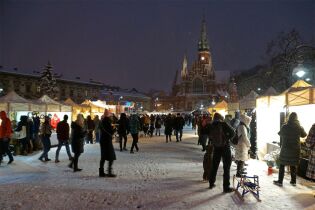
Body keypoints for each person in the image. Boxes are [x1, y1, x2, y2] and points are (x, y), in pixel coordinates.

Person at [274, 112, 307, 187]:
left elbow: (280, 134)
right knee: (293, 165)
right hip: (295, 149)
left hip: (285, 148)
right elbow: (304, 135)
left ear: (289, 117)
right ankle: (293, 181)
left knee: (282, 164)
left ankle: (280, 181)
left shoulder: (284, 126)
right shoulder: (299, 127)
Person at [208, 113, 235, 193]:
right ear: (220, 118)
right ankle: (226, 187)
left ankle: (211, 183)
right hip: (225, 147)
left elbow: (209, 136)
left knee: (214, 165)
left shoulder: (211, 125)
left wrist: (215, 141)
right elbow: (233, 133)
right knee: (226, 168)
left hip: (216, 147)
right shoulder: (223, 124)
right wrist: (226, 139)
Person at [99, 109, 116, 177]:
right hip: (107, 140)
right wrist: (114, 129)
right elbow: (110, 132)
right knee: (111, 156)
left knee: (103, 156)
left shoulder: (102, 121)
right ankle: (109, 172)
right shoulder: (107, 121)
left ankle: (101, 172)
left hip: (103, 140)